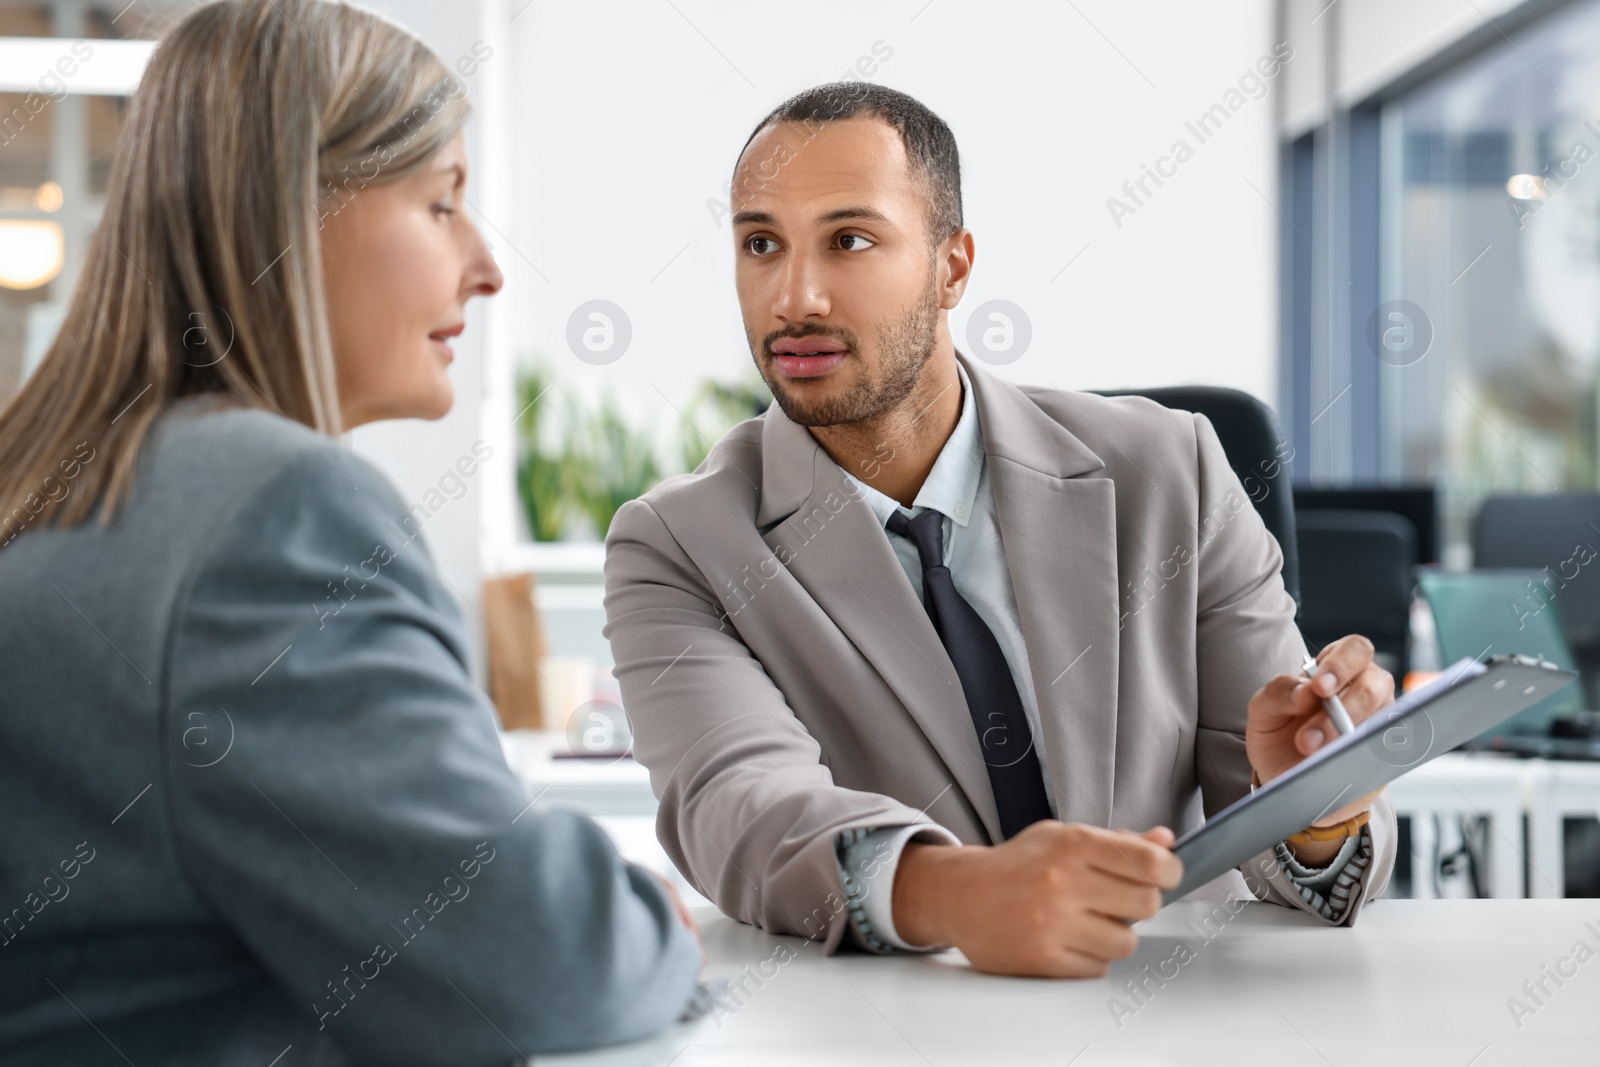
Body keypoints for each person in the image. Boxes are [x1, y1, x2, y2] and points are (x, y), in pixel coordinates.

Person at [0, 2, 699, 1063]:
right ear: (296, 214)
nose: (487, 265)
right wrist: (643, 914)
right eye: (442, 202)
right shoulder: (270, 511)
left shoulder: (65, 485)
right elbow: (543, 961)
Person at [603, 83, 1397, 978]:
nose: (796, 296)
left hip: (1172, 1018)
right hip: (905, 1031)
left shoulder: (1173, 467)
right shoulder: (679, 543)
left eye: (850, 240)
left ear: (952, 267)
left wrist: (1319, 804)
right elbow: (740, 805)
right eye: (760, 244)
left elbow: (1280, 840)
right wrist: (959, 894)